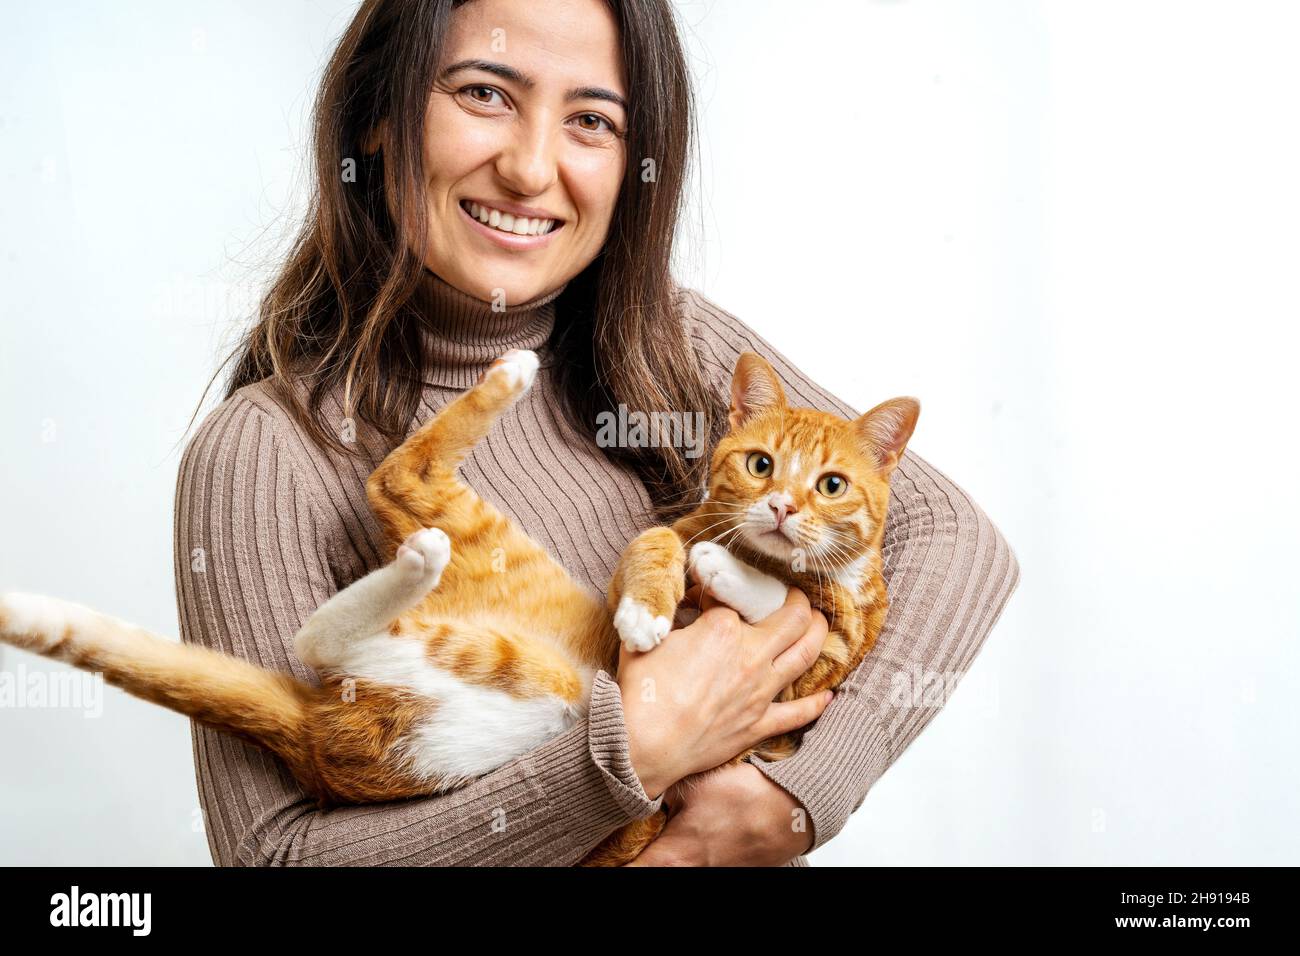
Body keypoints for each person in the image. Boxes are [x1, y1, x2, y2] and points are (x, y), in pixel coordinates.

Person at [174, 0, 1019, 866]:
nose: (532, 169)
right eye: (485, 94)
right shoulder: (266, 454)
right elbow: (277, 858)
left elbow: (956, 538)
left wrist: (800, 794)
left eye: (590, 120)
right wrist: (631, 757)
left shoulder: (673, 347)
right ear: (377, 116)